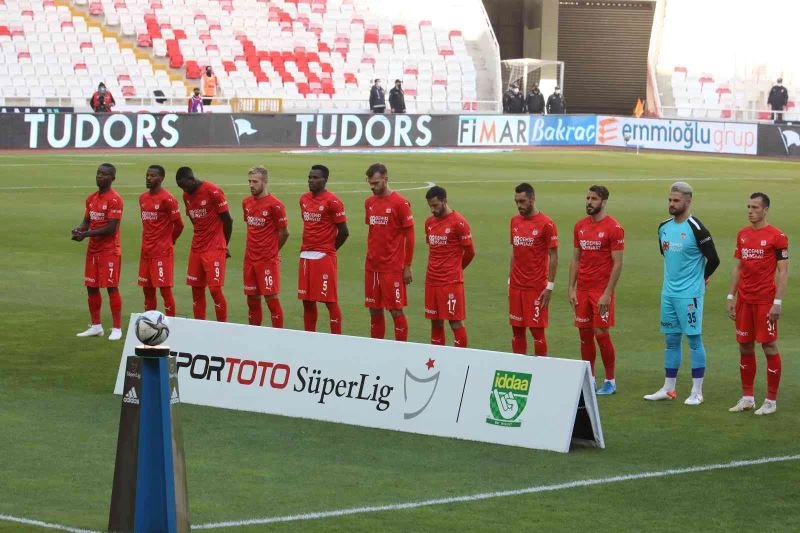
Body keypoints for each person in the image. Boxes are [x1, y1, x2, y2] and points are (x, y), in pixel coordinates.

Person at [645, 182, 720, 405]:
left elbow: (714, 259)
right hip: (668, 293)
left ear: (688, 201)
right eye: (670, 200)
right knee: (671, 341)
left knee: (694, 340)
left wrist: (701, 278)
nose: (671, 204)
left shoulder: (697, 228)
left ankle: (697, 392)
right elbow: (667, 255)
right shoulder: (664, 227)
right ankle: (669, 388)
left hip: (690, 295)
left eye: (676, 200)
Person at [726, 193, 789, 416]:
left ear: (765, 210)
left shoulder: (777, 236)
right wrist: (731, 296)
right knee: (744, 345)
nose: (750, 211)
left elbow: (783, 272)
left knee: (769, 346)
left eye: (755, 207)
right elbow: (739, 267)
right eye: (748, 207)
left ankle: (771, 401)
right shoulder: (742, 234)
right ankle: (747, 398)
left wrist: (777, 302)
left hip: (765, 301)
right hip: (744, 300)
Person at [568, 186, 624, 395]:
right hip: (582, 290)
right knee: (584, 334)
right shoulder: (580, 226)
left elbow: (618, 263)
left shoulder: (614, 228)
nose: (589, 202)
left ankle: (610, 380)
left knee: (601, 333)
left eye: (594, 199)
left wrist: (608, 293)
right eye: (588, 198)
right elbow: (576, 258)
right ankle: (589, 379)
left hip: (601, 291)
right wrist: (571, 288)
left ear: (604, 201)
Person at [72, 163, 124, 340]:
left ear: (113, 178)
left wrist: (86, 234)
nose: (100, 176)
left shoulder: (115, 199)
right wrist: (79, 230)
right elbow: (87, 221)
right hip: (93, 250)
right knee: (91, 287)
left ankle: (117, 328)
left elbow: (111, 228)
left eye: (104, 174)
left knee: (111, 287)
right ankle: (96, 326)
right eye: (98, 173)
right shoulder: (91, 199)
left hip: (109, 250)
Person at [364, 163, 414, 341]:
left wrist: (407, 266)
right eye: (370, 183)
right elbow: (373, 232)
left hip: (392, 267)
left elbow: (410, 236)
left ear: (386, 179)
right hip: (372, 267)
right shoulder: (369, 203)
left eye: (376, 183)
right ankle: (376, 348)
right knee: (374, 309)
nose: (372, 187)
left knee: (396, 310)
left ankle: (401, 349)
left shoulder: (400, 203)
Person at [175, 166, 232, 322]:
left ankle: (222, 327)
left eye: (185, 185)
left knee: (214, 289)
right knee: (196, 289)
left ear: (192, 179)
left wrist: (223, 245)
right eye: (181, 187)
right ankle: (199, 325)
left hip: (214, 247)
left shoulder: (213, 191)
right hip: (197, 247)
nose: (184, 190)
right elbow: (195, 221)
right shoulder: (186, 196)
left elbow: (228, 220)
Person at [298, 164, 349, 333]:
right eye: (309, 177)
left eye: (315, 178)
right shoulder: (304, 199)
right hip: (305, 255)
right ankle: (309, 336)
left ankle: (336, 339)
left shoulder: (333, 201)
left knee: (330, 301)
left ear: (325, 180)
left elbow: (344, 232)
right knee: (307, 301)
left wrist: (329, 250)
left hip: (323, 257)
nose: (311, 181)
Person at [508, 183, 558, 357]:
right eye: (516, 201)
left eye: (522, 201)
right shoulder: (514, 221)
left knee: (537, 334)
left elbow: (554, 256)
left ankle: (541, 371)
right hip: (516, 287)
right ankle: (519, 368)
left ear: (532, 199)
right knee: (517, 332)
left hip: (536, 288)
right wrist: (509, 280)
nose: (519, 205)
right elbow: (515, 252)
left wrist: (549, 287)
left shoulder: (547, 224)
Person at [424, 186, 474, 347]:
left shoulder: (459, 222)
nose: (432, 210)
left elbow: (470, 252)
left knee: (455, 322)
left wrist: (456, 269)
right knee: (435, 322)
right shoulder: (429, 223)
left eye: (435, 205)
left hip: (451, 282)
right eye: (430, 206)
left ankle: (460, 358)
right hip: (432, 281)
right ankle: (438, 357)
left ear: (444, 201)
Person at [242, 166, 289, 328]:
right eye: (249, 181)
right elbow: (251, 227)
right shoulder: (246, 203)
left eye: (255, 182)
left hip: (267, 261)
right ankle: (254, 334)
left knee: (271, 300)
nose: (251, 185)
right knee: (252, 300)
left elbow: (284, 233)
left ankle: (278, 336)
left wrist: (272, 251)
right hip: (250, 260)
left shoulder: (276, 205)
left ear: (265, 181)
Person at [138, 164, 183, 317]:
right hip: (146, 251)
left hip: (162, 252)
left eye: (152, 175)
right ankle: (149, 322)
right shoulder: (142, 198)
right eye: (147, 175)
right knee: (147, 290)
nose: (148, 178)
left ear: (161, 178)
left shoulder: (168, 199)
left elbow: (179, 224)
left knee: (165, 290)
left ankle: (172, 323)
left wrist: (170, 240)